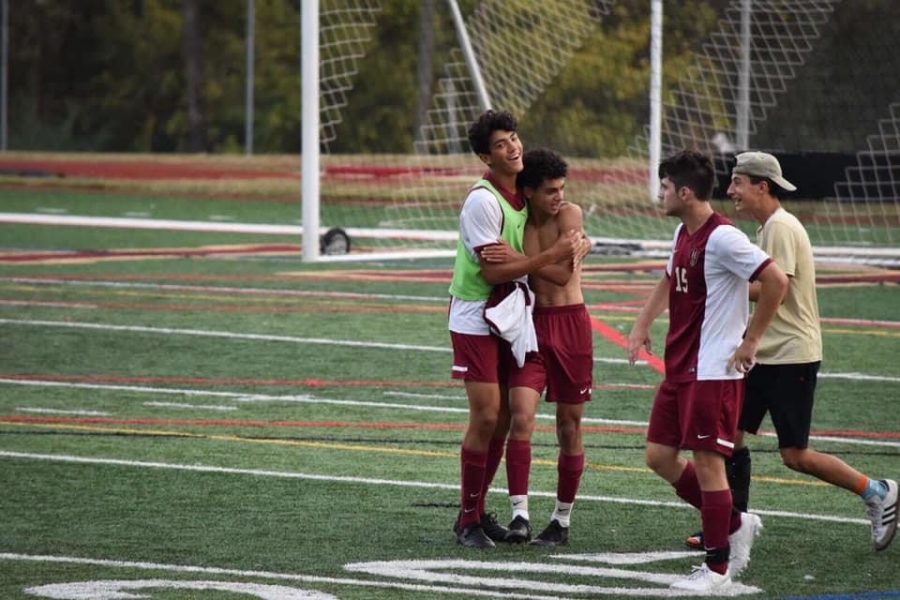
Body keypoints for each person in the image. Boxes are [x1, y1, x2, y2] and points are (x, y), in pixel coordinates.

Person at [689, 151, 895, 552]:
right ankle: (731, 523)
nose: (730, 191)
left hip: (790, 356)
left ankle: (876, 491)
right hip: (765, 355)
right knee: (728, 438)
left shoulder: (781, 227)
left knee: (795, 455)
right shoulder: (769, 228)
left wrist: (716, 283)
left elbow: (774, 289)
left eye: (738, 182)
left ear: (761, 186)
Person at [627, 150, 789, 593]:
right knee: (658, 456)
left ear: (684, 192)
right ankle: (736, 522)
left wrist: (751, 341)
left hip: (713, 370)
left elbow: (776, 281)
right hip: (681, 368)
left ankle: (716, 569)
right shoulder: (684, 231)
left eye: (664, 187)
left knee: (709, 465)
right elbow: (668, 278)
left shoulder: (723, 238)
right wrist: (642, 325)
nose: (659, 194)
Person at [449, 110, 583, 548]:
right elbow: (491, 273)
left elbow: (534, 260)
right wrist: (554, 254)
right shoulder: (483, 201)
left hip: (508, 315)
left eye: (515, 138)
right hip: (475, 313)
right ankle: (469, 520)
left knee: (505, 418)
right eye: (502, 144)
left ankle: (476, 511)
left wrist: (573, 246)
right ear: (487, 156)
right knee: (487, 414)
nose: (514, 147)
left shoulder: (523, 197)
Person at [480, 148, 592, 546]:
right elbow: (503, 264)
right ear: (527, 192)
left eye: (561, 188)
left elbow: (563, 275)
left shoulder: (571, 215)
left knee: (569, 425)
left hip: (572, 325)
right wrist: (523, 257)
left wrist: (522, 258)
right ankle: (520, 516)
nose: (558, 196)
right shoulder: (516, 220)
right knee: (521, 418)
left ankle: (561, 520)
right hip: (531, 328)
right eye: (549, 191)